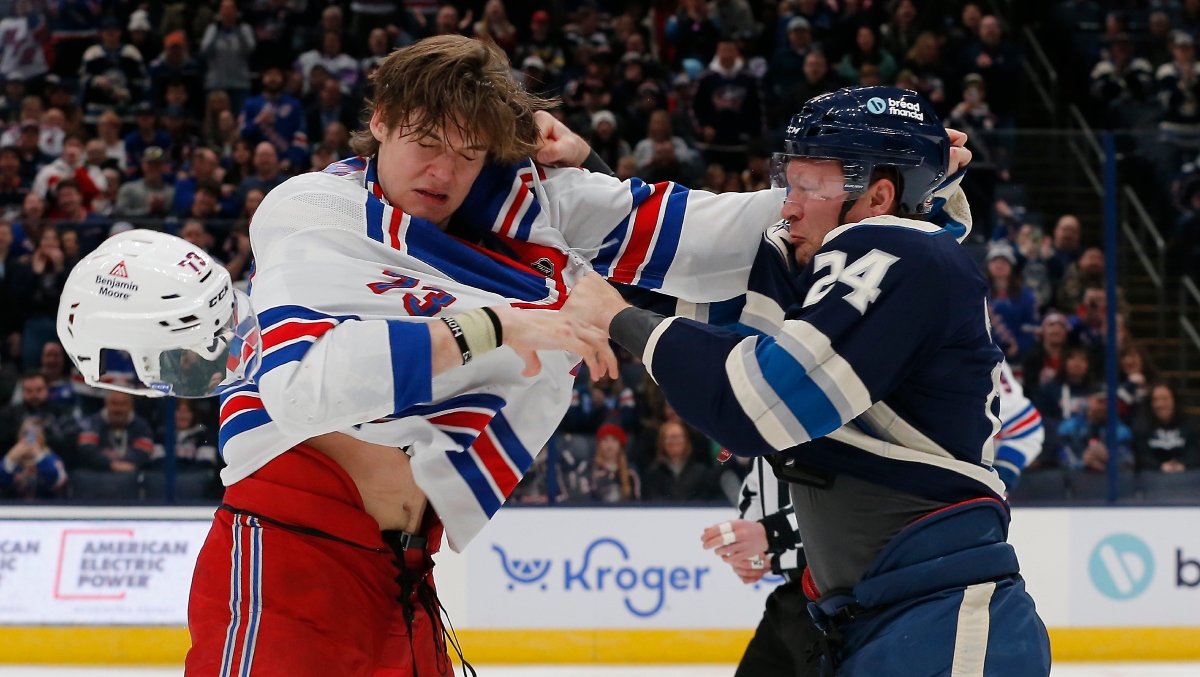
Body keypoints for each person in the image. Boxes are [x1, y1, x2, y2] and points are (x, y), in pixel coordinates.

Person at [564, 87, 1051, 674]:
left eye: (811, 186)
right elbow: (682, 283)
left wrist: (618, 318)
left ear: (878, 196)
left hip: (942, 623)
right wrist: (587, 171)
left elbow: (753, 407)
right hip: (876, 621)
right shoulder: (835, 268)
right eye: (787, 182)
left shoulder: (904, 254)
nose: (787, 206)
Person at [641, 419, 721, 501]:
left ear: (686, 441)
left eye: (678, 437)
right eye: (670, 438)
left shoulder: (703, 473)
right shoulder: (652, 475)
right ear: (662, 442)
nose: (675, 442)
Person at [1133, 384, 1198, 472]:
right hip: (1151, 479)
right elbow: (1142, 455)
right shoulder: (1141, 426)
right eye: (1155, 400)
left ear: (1174, 400)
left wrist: (1183, 465)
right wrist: (1160, 467)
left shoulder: (1188, 423)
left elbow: (1194, 452)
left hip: (1186, 478)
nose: (1160, 404)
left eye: (1165, 399)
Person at [1, 417, 68, 498]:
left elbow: (55, 479)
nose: (28, 438)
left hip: (46, 505)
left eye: (33, 434)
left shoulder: (51, 458)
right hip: (14, 506)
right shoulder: (12, 460)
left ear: (41, 437)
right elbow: (2, 482)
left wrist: (38, 456)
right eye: (25, 433)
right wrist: (10, 459)